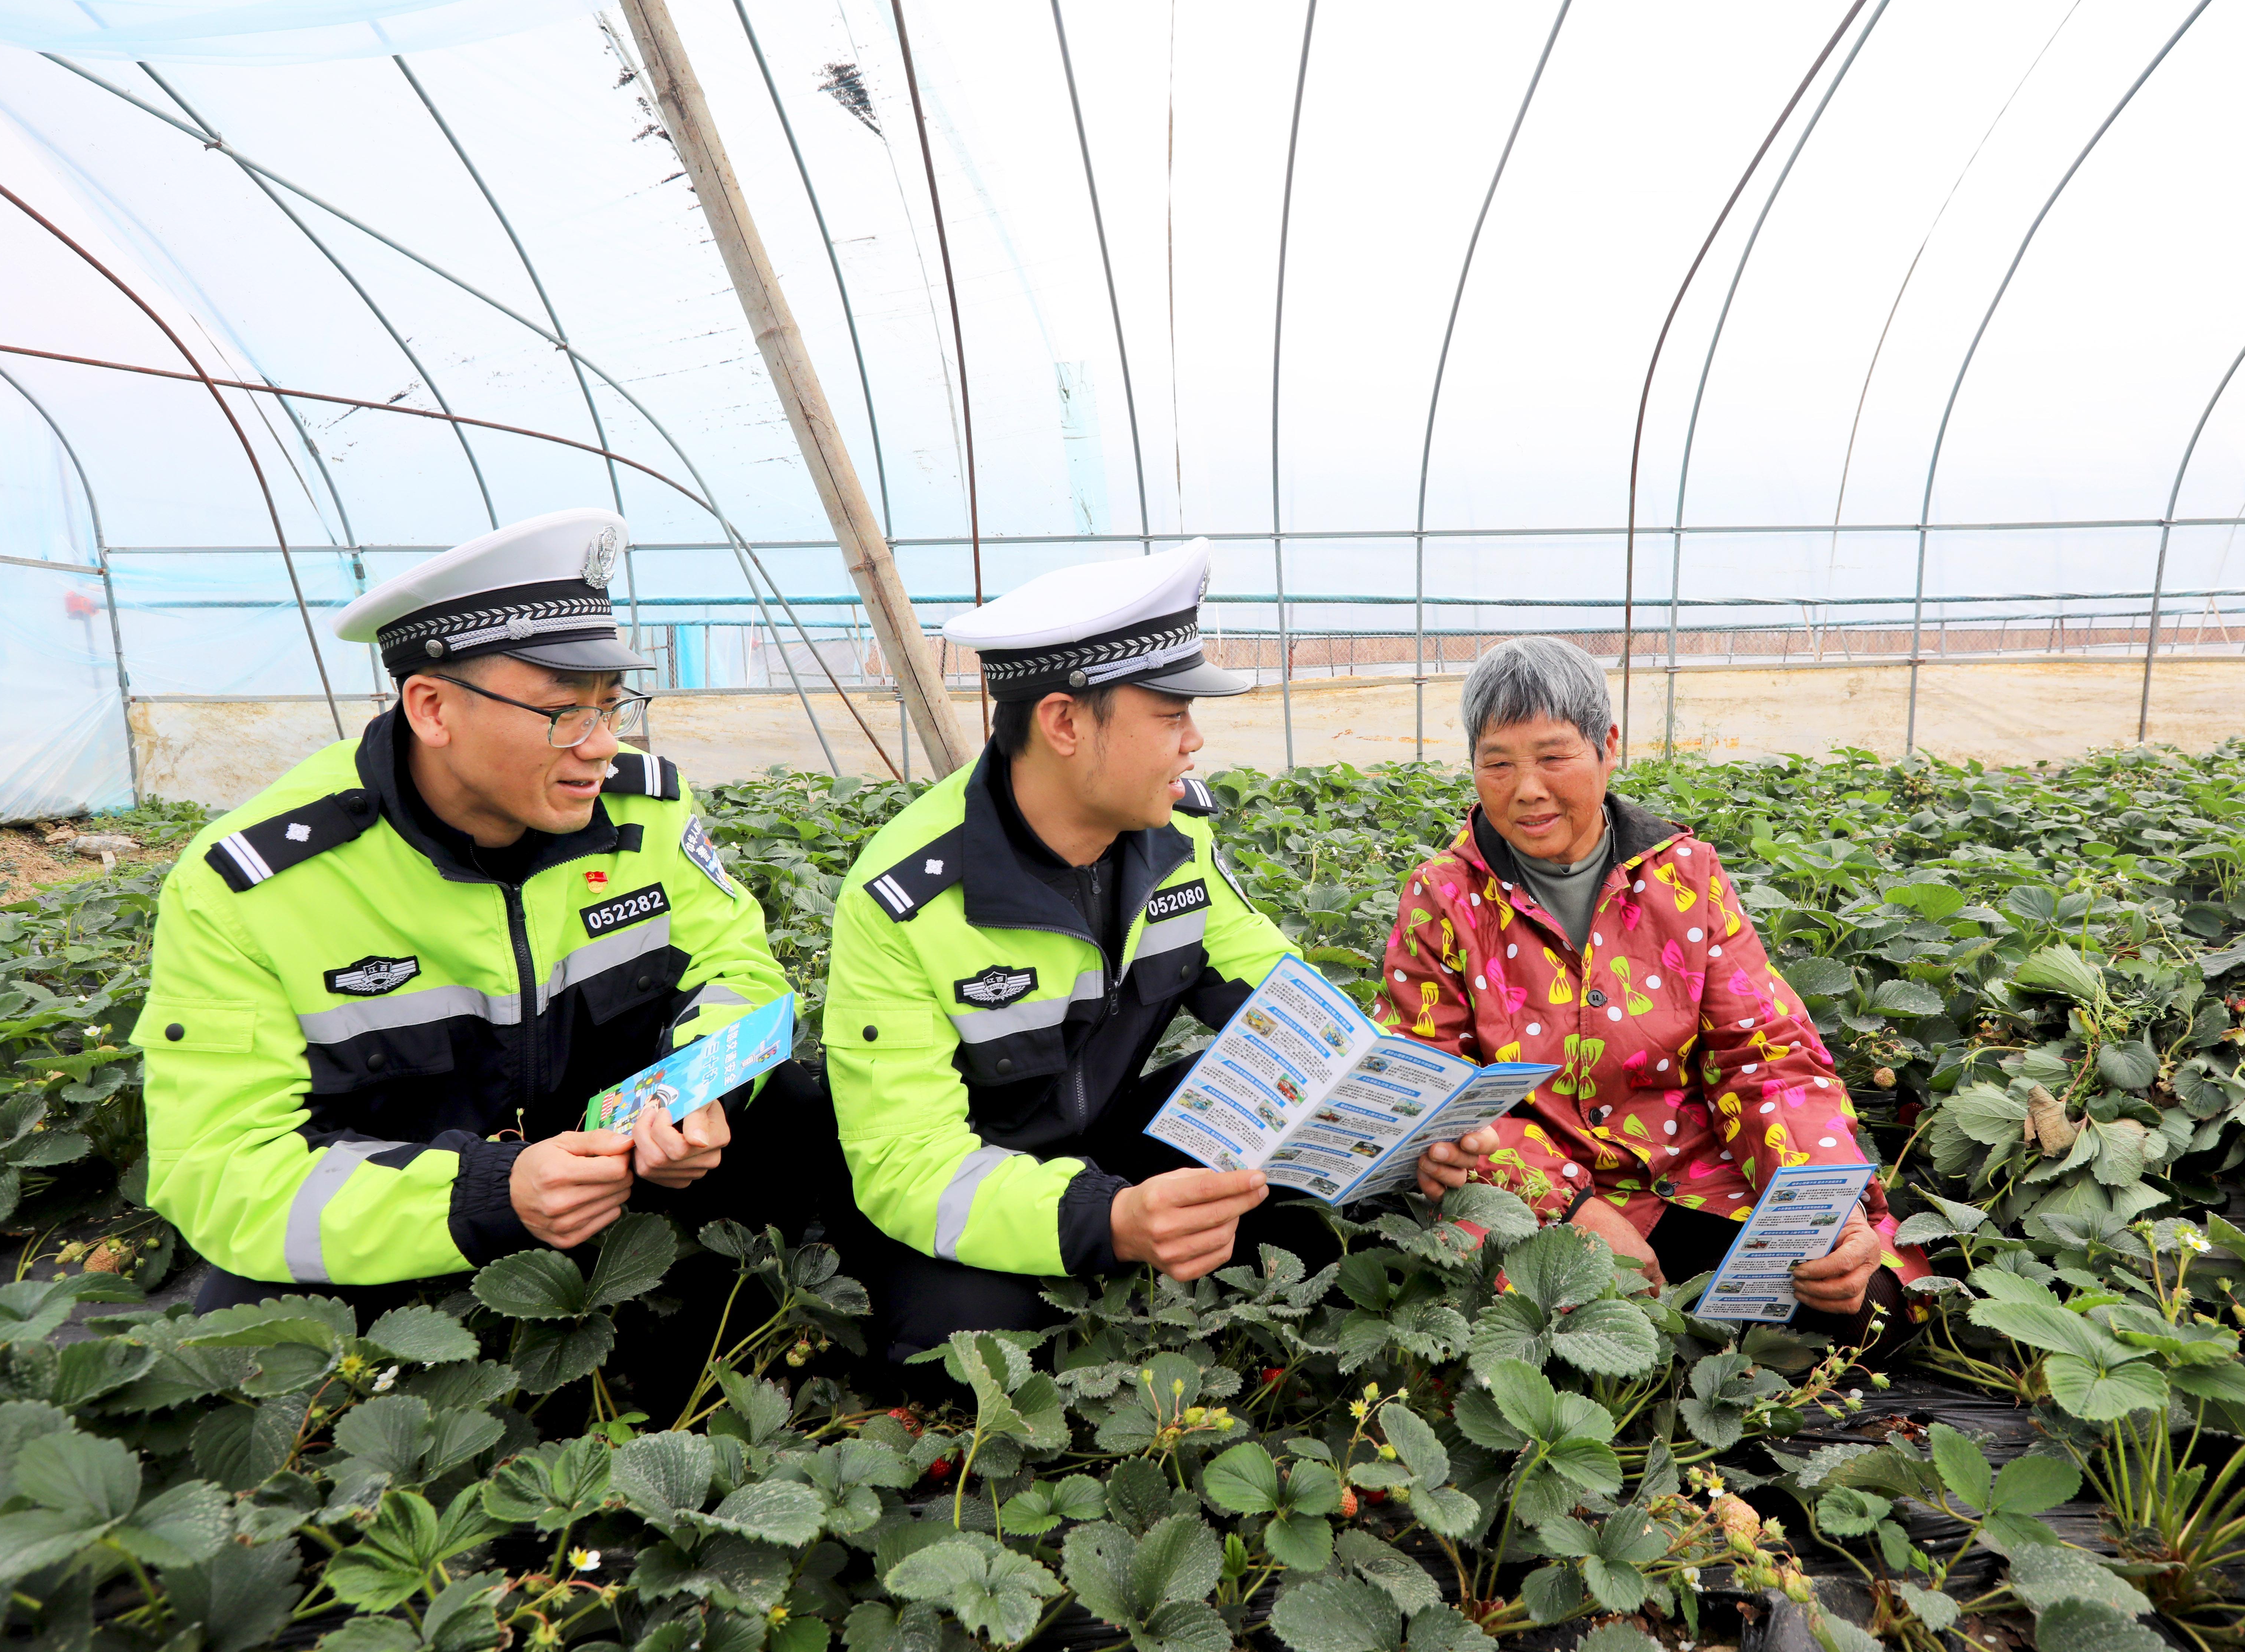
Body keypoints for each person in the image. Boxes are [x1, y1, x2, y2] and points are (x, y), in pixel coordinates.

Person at [818, 539, 1495, 1367]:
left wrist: (1399, 1111)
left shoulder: (1174, 839)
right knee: (970, 1339)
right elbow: (910, 1162)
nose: (1194, 741)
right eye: (1171, 716)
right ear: (1065, 722)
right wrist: (1110, 1219)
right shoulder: (904, 899)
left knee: (1328, 1178)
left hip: (1110, 1141)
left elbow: (1285, 1000)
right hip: (986, 1180)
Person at [134, 509, 799, 1313]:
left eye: (613, 706)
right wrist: (485, 1194)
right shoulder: (253, 886)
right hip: (421, 1225)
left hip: (620, 1178)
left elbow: (736, 967)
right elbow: (219, 1163)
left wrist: (698, 1089)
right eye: (565, 711)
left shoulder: (644, 807)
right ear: (433, 708)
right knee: (247, 1315)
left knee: (806, 1113)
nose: (601, 745)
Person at [1374, 637, 1929, 1349]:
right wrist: (1571, 1208)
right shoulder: (1444, 896)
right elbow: (1426, 1085)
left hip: (1692, 1175)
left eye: (1553, 757)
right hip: (1531, 1191)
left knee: (1864, 1307)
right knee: (1578, 1339)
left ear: (1607, 747)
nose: (1527, 790)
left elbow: (1764, 1055)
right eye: (1498, 763)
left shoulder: (1685, 875)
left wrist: (1823, 1202)